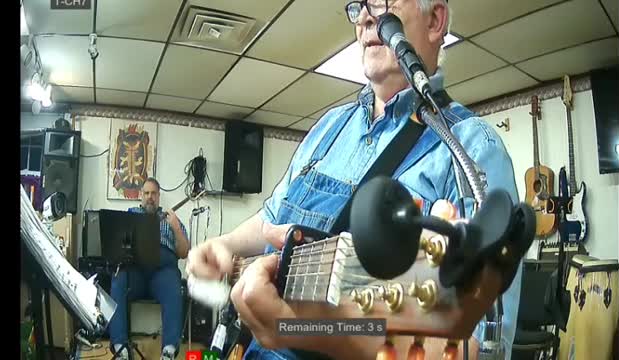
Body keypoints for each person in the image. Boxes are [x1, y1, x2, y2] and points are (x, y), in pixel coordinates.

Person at [187, 0, 523, 359]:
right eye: (358, 5)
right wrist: (225, 245)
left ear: (435, 20)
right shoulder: (328, 127)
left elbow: (482, 348)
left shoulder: (472, 149)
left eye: (382, 2)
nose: (364, 17)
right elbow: (274, 217)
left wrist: (315, 330)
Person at [109, 177, 190, 360]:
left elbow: (184, 252)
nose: (150, 197)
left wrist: (176, 228)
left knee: (174, 286)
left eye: (153, 193)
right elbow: (116, 246)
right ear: (141, 196)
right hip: (135, 271)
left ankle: (169, 350)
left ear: (159, 197)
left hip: (163, 271)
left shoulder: (170, 219)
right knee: (118, 280)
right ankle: (121, 348)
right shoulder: (130, 215)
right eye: (146, 193)